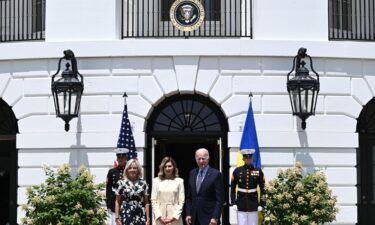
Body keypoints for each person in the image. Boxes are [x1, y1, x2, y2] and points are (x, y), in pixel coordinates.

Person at [185, 148, 224, 225]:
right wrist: (188, 213)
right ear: (195, 159)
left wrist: (215, 217)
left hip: (209, 218)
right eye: (198, 159)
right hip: (194, 217)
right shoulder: (192, 173)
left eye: (203, 159)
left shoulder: (216, 174)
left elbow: (219, 199)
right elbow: (189, 197)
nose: (201, 161)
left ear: (208, 158)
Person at [230, 149, 265, 225]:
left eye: (250, 158)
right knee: (242, 223)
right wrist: (233, 202)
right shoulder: (237, 171)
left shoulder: (258, 171)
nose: (248, 159)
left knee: (253, 223)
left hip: (253, 202)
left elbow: (262, 188)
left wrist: (262, 204)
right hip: (241, 202)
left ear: (252, 159)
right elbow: (232, 188)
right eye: (246, 158)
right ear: (243, 159)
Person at [114, 159, 150, 225]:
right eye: (130, 168)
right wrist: (117, 217)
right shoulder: (121, 183)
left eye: (134, 168)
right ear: (127, 170)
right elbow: (117, 201)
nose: (132, 170)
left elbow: (146, 202)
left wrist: (148, 218)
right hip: (125, 214)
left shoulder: (143, 183)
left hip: (140, 214)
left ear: (138, 170)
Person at [151, 157, 185, 225]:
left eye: (169, 166)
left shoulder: (179, 181)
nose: (167, 168)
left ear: (174, 167)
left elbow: (181, 201)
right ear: (162, 168)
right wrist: (159, 216)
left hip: (174, 216)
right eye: (165, 166)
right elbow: (153, 200)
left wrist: (174, 217)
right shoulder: (156, 181)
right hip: (160, 216)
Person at [106, 148, 128, 225]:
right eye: (119, 157)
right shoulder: (112, 172)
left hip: (127, 203)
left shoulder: (130, 170)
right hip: (114, 203)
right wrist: (108, 204)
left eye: (122, 157)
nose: (121, 159)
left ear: (126, 158)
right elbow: (108, 189)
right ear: (117, 158)